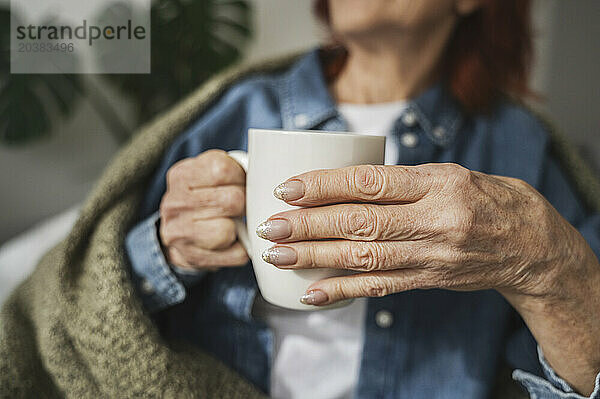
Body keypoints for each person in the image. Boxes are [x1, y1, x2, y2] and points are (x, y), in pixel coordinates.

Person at [123, 0, 600, 398]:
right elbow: (97, 293)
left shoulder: (519, 147)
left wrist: (547, 265)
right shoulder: (236, 110)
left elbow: (569, 359)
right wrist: (167, 252)